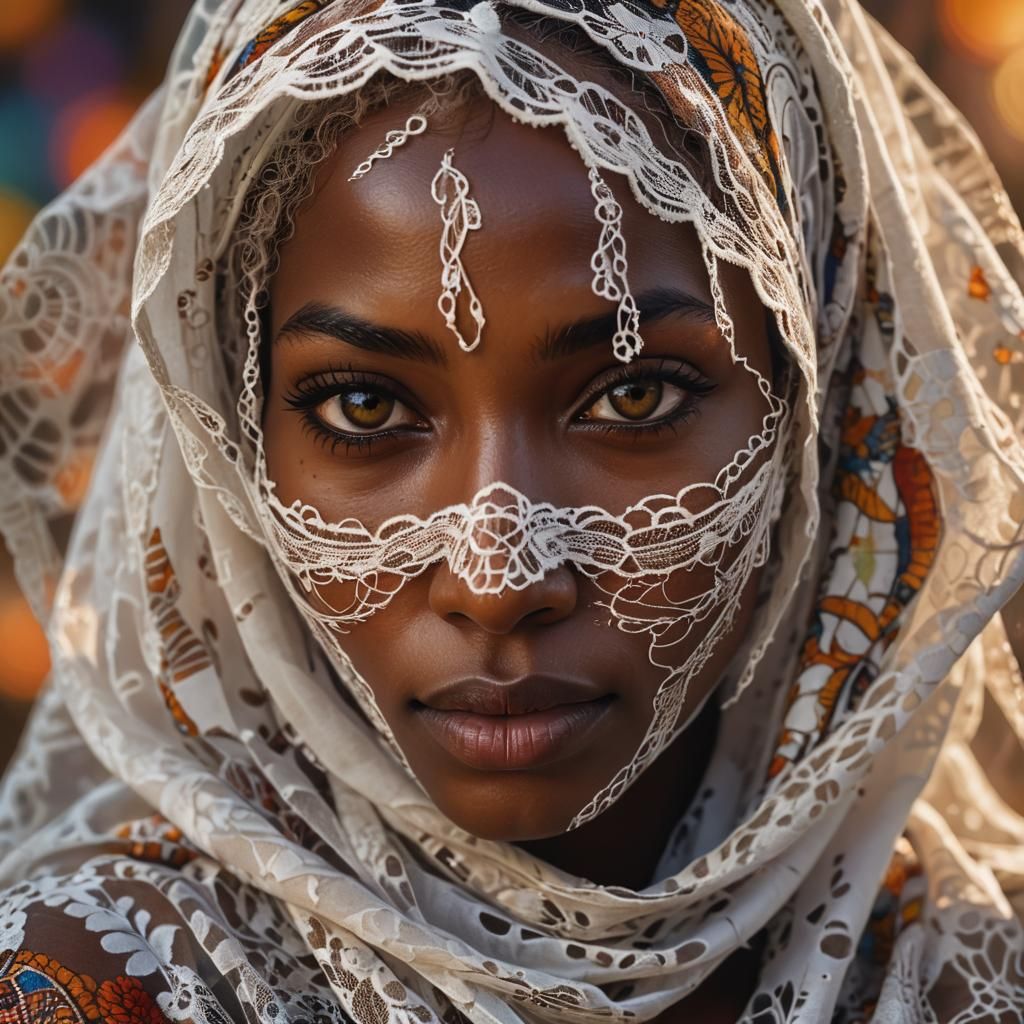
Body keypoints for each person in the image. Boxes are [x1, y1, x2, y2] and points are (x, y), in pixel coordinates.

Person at [0, 0, 1022, 1021]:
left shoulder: (969, 978)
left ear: (823, 402)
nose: (496, 576)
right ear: (230, 438)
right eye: (365, 406)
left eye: (634, 396)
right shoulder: (110, 981)